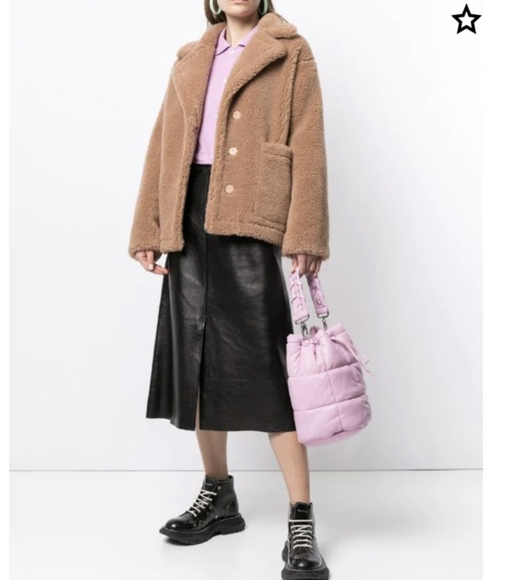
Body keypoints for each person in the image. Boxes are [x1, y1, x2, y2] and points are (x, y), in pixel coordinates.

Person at [128, 1, 330, 578]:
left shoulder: (290, 50)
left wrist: (305, 232)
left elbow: (308, 142)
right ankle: (218, 494)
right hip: (188, 216)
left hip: (251, 215)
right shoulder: (191, 57)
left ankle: (301, 518)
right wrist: (149, 227)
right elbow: (165, 142)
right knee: (196, 362)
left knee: (270, 370)